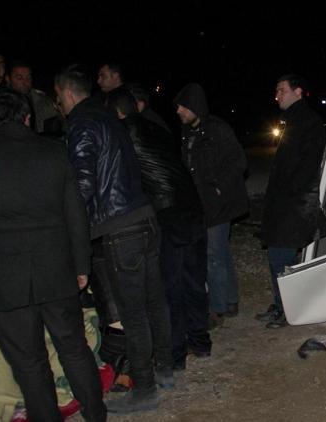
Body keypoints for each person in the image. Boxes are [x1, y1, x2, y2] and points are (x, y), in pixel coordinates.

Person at [55, 64, 172, 413]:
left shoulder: (81, 124)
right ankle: (165, 369)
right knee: (155, 301)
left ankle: (146, 389)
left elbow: (84, 186)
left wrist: (69, 228)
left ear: (66, 93)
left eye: (58, 96)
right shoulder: (110, 119)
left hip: (121, 229)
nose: (57, 103)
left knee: (133, 312)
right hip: (145, 218)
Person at [0, 90, 106, 421]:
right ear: (27, 118)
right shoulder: (52, 150)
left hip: (6, 278)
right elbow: (75, 213)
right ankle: (95, 413)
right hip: (56, 269)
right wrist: (82, 264)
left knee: (29, 362)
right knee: (73, 347)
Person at [106, 89, 212, 370]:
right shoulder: (157, 127)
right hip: (192, 207)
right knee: (194, 279)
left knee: (171, 286)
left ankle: (176, 355)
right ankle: (200, 342)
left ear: (116, 112)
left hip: (168, 212)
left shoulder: (121, 134)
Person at [257, 74, 326, 328]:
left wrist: (290, 195)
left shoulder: (308, 121)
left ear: (298, 91)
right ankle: (280, 304)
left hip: (293, 206)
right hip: (284, 205)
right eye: (276, 90)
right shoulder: (291, 120)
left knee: (283, 260)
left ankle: (288, 310)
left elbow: (307, 166)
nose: (277, 95)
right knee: (278, 258)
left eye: (282, 90)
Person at [174, 83, 249, 329]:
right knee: (221, 253)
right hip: (201, 203)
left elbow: (238, 161)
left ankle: (216, 309)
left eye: (182, 107)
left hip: (219, 204)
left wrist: (218, 188)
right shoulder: (187, 132)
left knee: (213, 256)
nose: (179, 112)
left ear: (195, 106)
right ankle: (230, 300)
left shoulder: (217, 129)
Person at [5, 59, 62, 134]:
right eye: (19, 78)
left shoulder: (44, 102)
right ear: (8, 79)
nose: (25, 82)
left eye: (28, 77)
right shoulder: (2, 103)